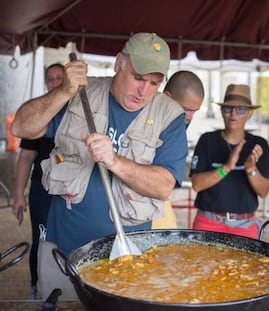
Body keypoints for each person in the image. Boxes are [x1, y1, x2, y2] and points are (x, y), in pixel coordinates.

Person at [12, 33, 187, 297]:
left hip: (125, 258)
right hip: (64, 249)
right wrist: (62, 91)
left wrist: (115, 161)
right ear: (119, 63)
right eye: (138, 78)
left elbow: (163, 187)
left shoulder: (169, 116)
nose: (144, 91)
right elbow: (20, 126)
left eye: (154, 82)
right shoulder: (80, 95)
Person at [189, 84, 269, 238]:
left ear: (250, 113)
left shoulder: (259, 144)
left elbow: (263, 191)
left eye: (240, 109)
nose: (233, 114)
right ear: (222, 111)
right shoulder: (207, 140)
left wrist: (251, 169)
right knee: (203, 263)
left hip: (245, 224)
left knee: (247, 263)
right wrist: (226, 167)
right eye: (228, 108)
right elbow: (196, 185)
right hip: (208, 222)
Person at [12, 63, 64, 299]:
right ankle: (37, 287)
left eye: (59, 78)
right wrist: (19, 194)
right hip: (42, 190)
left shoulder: (79, 111)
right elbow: (25, 158)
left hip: (71, 192)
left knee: (68, 239)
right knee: (41, 239)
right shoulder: (37, 114)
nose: (54, 82)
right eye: (50, 79)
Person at [152, 70, 204, 229]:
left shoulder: (178, 127)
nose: (190, 117)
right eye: (186, 109)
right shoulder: (142, 120)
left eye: (195, 111)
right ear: (167, 97)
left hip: (162, 214)